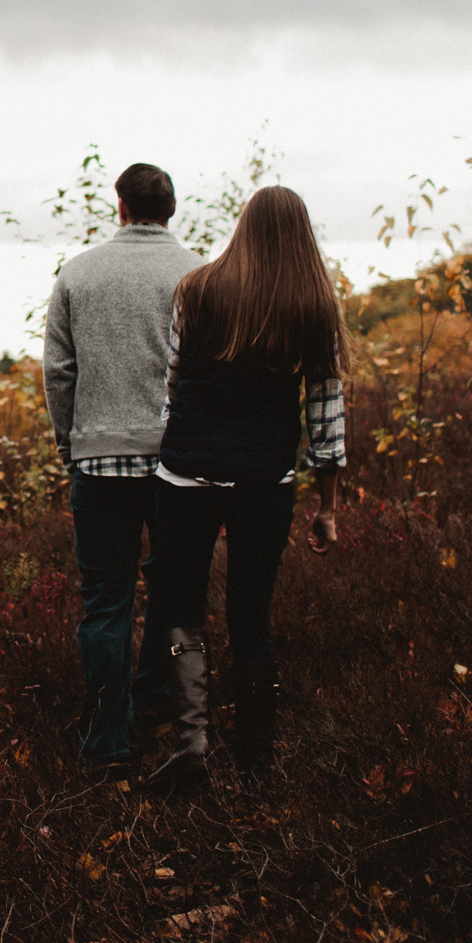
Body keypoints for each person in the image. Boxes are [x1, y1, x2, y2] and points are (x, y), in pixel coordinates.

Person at [142, 184, 345, 789]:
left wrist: (180, 442)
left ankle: (192, 746)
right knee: (250, 612)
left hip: (185, 475)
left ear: (243, 226)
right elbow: (326, 413)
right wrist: (327, 506)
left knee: (180, 608)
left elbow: (172, 382)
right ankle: (257, 754)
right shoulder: (313, 305)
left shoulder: (197, 289)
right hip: (265, 478)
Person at [41, 162, 200, 781]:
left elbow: (59, 370)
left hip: (98, 460)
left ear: (121, 207)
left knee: (106, 600)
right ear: (173, 210)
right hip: (178, 462)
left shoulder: (78, 272)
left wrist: (70, 442)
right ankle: (159, 701)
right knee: (172, 586)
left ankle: (108, 737)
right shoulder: (197, 274)